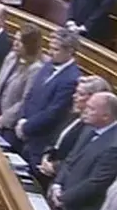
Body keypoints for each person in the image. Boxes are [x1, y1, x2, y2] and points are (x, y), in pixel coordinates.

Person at [17, 29, 84, 169]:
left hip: (41, 140)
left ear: (70, 51)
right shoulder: (48, 65)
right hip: (27, 133)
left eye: (56, 49)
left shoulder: (72, 78)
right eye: (50, 48)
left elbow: (54, 112)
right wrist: (22, 119)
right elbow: (30, 94)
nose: (51, 52)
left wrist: (26, 127)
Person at [0, 24, 45, 136]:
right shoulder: (11, 56)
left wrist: (3, 119)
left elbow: (25, 100)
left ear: (30, 45)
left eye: (20, 41)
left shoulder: (36, 68)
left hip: (11, 125)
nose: (15, 43)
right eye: (15, 39)